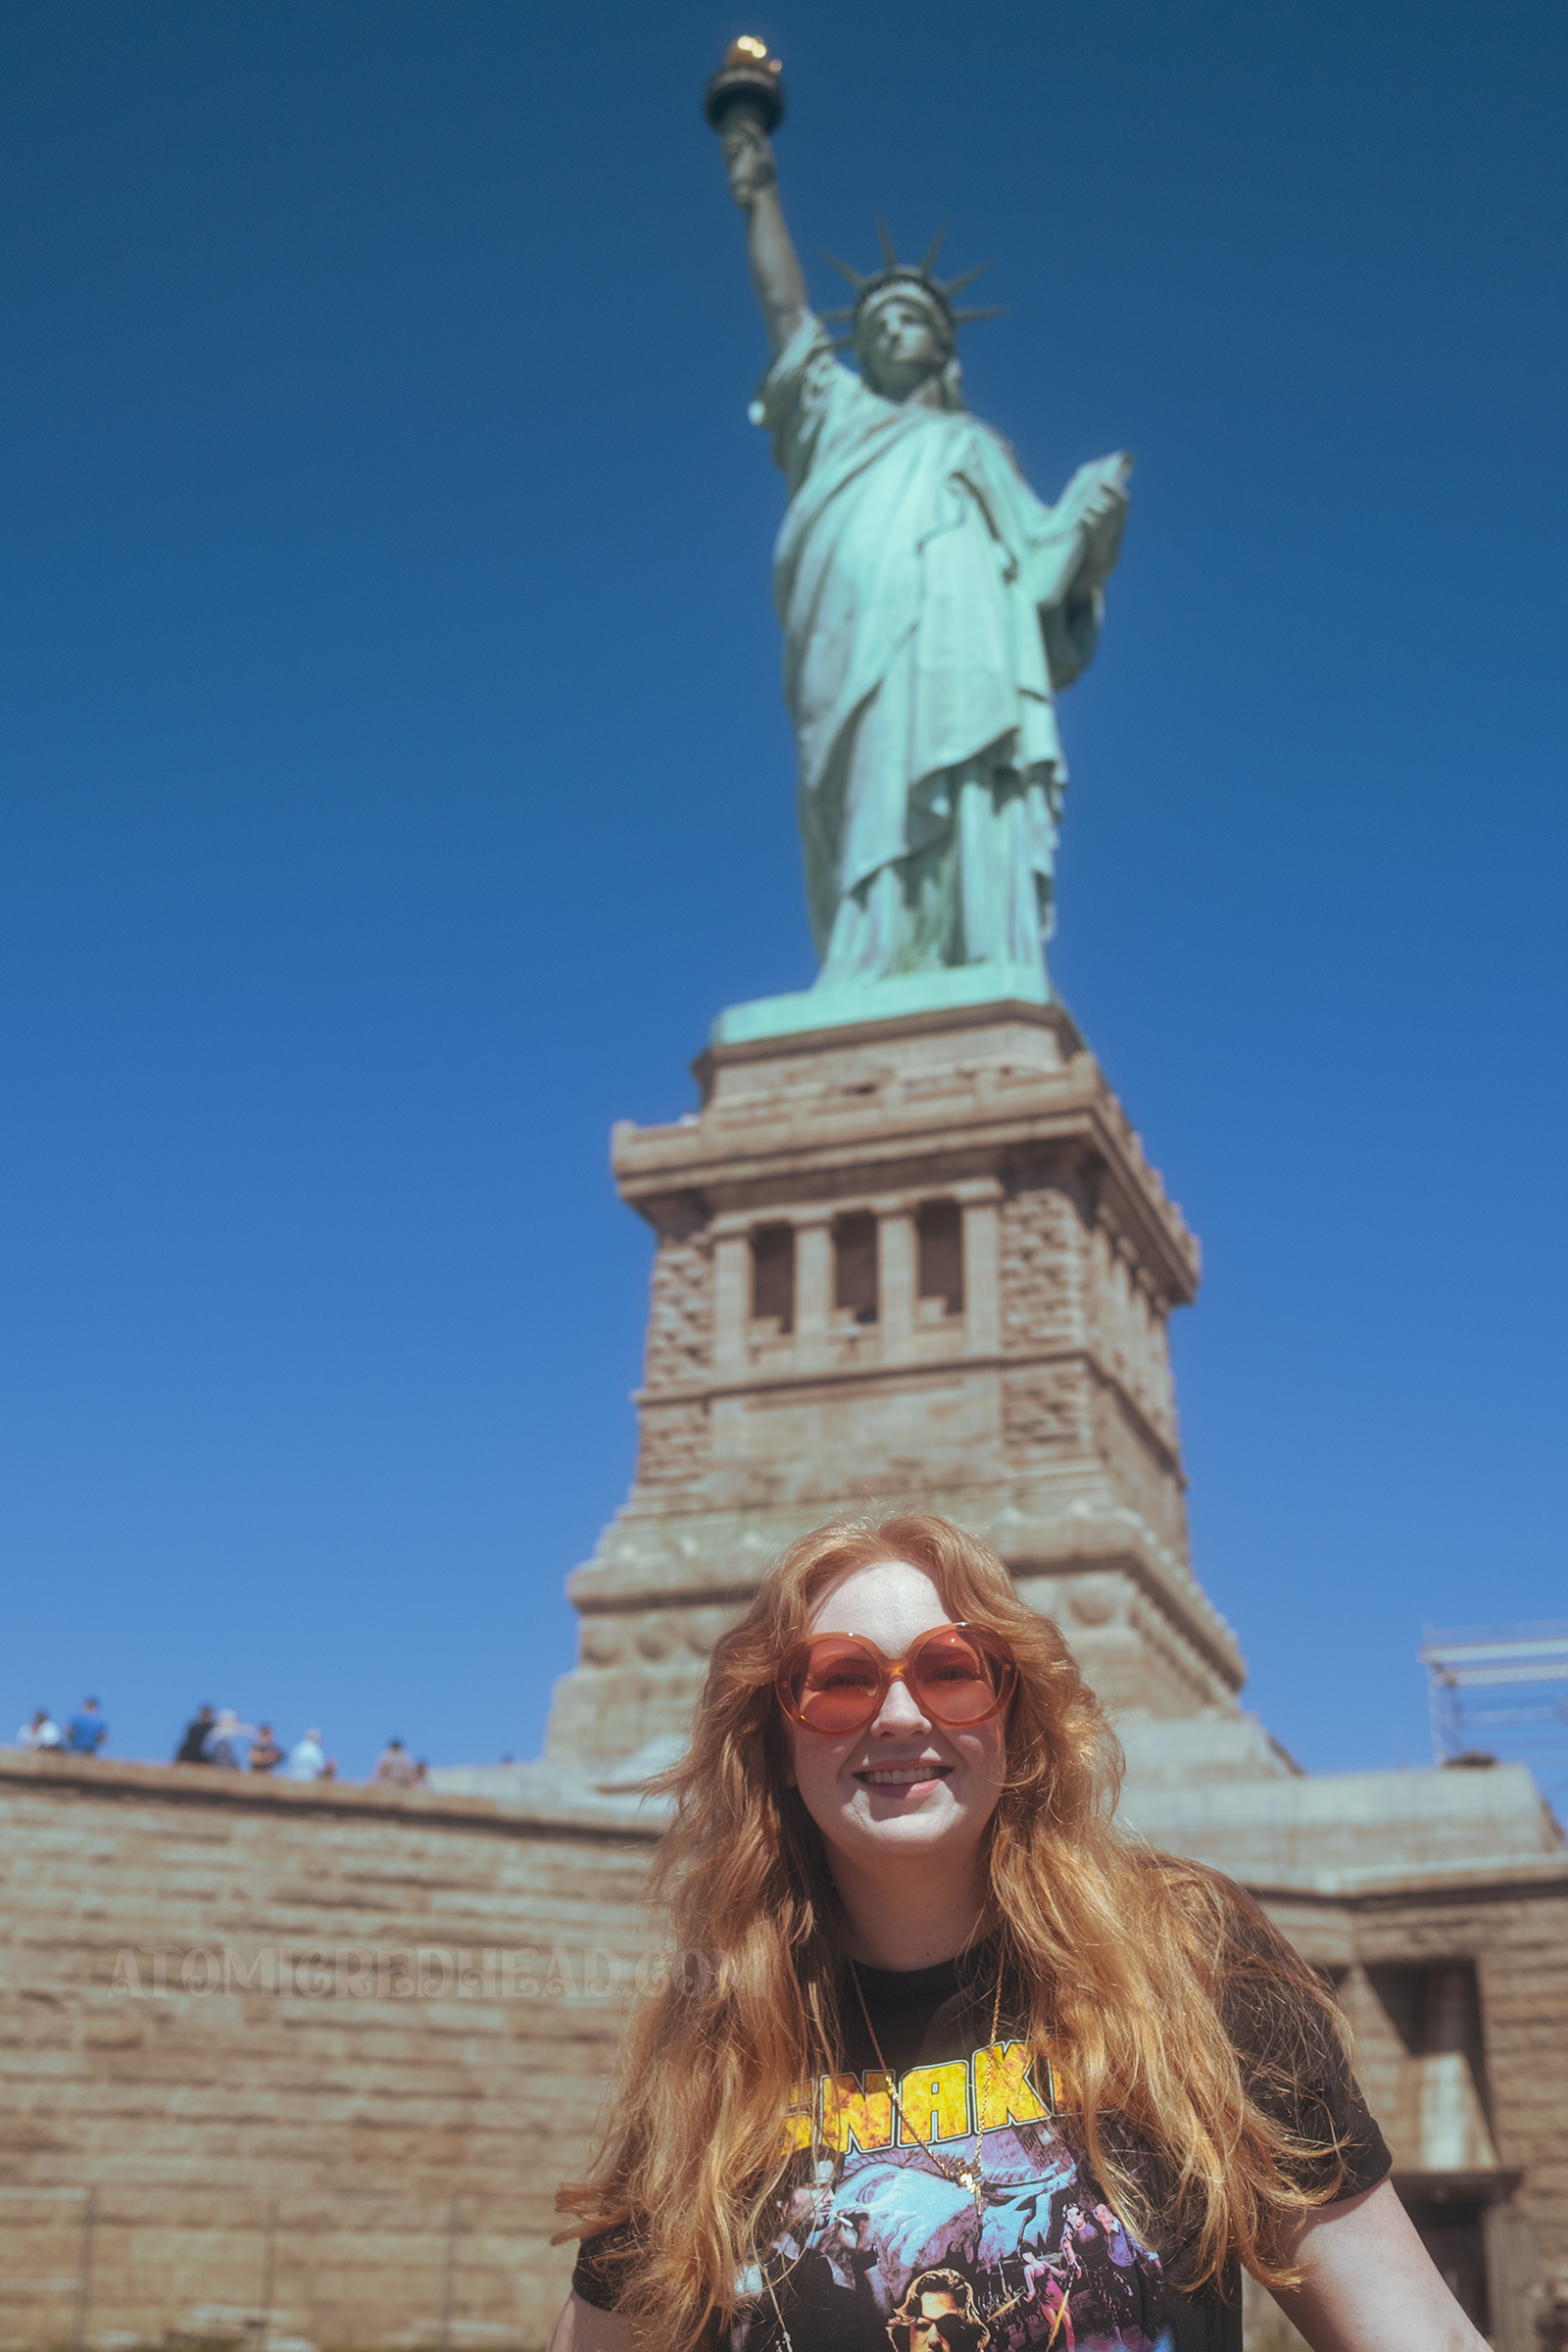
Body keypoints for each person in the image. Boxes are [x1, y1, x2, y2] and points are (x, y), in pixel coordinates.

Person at [550, 1513, 1489, 2352]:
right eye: (839, 1682)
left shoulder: (1193, 1964)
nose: (900, 1714)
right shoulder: (713, 2052)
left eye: (951, 1671)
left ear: (1016, 1715)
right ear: (780, 1747)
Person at [716, 109, 1130, 997]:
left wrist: (1089, 531)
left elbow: (1043, 583)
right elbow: (787, 314)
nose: (891, 330)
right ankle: (868, 954)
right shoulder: (837, 419)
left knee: (967, 770)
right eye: (876, 322)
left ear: (944, 344)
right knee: (864, 782)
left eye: (911, 318)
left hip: (963, 645)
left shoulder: (979, 447)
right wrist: (760, 194)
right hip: (850, 640)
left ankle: (973, 951)